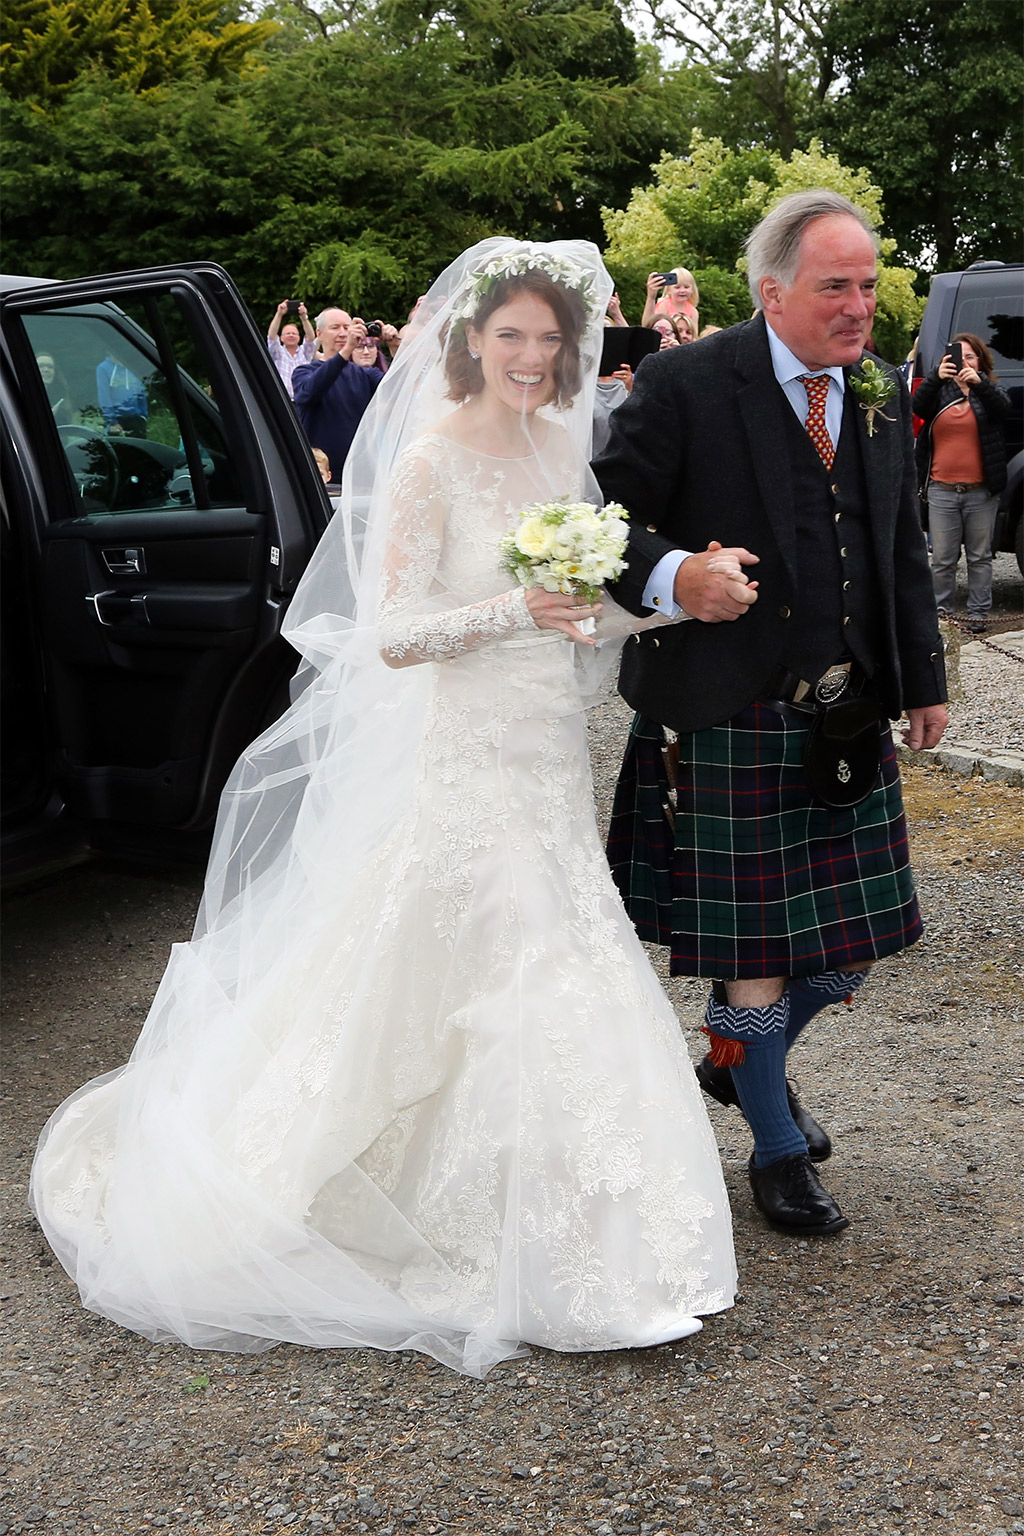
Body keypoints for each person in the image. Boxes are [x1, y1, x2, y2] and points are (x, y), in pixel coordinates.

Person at [31, 239, 736, 1380]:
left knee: (556, 960)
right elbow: (393, 635)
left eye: (549, 340)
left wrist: (673, 606)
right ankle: (532, 1259)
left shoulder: (561, 453)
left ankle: (608, 1249)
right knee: (518, 967)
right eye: (510, 336)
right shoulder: (426, 459)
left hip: (542, 751)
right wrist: (517, 604)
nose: (531, 356)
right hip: (459, 756)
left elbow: (578, 620)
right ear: (468, 341)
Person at [594, 190, 948, 1238]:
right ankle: (775, 1152)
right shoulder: (687, 381)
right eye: (834, 286)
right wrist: (674, 575)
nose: (858, 307)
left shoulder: (878, 388)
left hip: (846, 713)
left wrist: (922, 678)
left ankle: (735, 1057)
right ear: (772, 291)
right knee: (754, 957)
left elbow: (898, 547)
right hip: (725, 715)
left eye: (869, 286)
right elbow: (600, 519)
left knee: (852, 947)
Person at [913, 332, 1009, 633]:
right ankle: (942, 615)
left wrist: (979, 383)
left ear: (979, 360)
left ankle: (978, 616)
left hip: (981, 490)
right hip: (942, 489)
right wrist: (935, 377)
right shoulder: (939, 391)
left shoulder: (988, 390)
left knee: (980, 558)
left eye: (970, 356)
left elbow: (1003, 408)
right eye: (958, 356)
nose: (963, 361)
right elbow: (917, 406)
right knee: (942, 559)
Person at [292, 308, 382, 476]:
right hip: (320, 474)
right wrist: (347, 350)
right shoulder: (303, 372)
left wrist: (396, 346)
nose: (342, 333)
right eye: (335, 327)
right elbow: (310, 392)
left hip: (357, 473)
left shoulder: (365, 374)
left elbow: (400, 388)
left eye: (347, 327)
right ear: (319, 333)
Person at [266, 301, 317, 398]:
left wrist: (304, 317)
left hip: (303, 399)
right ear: (281, 338)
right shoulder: (277, 353)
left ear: (299, 337)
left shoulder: (305, 353)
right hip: (283, 400)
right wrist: (279, 314)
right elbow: (271, 336)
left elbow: (311, 338)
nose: (291, 335)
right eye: (288, 333)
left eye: (294, 333)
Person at [96, 354, 148, 436]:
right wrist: (112, 421)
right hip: (117, 420)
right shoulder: (103, 368)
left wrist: (144, 416)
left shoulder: (132, 366)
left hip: (136, 418)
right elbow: (104, 396)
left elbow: (141, 392)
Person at [642, 267, 699, 333]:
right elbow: (655, 326)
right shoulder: (664, 305)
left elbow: (694, 333)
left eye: (686, 287)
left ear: (692, 289)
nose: (682, 290)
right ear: (668, 290)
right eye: (677, 287)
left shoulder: (693, 311)